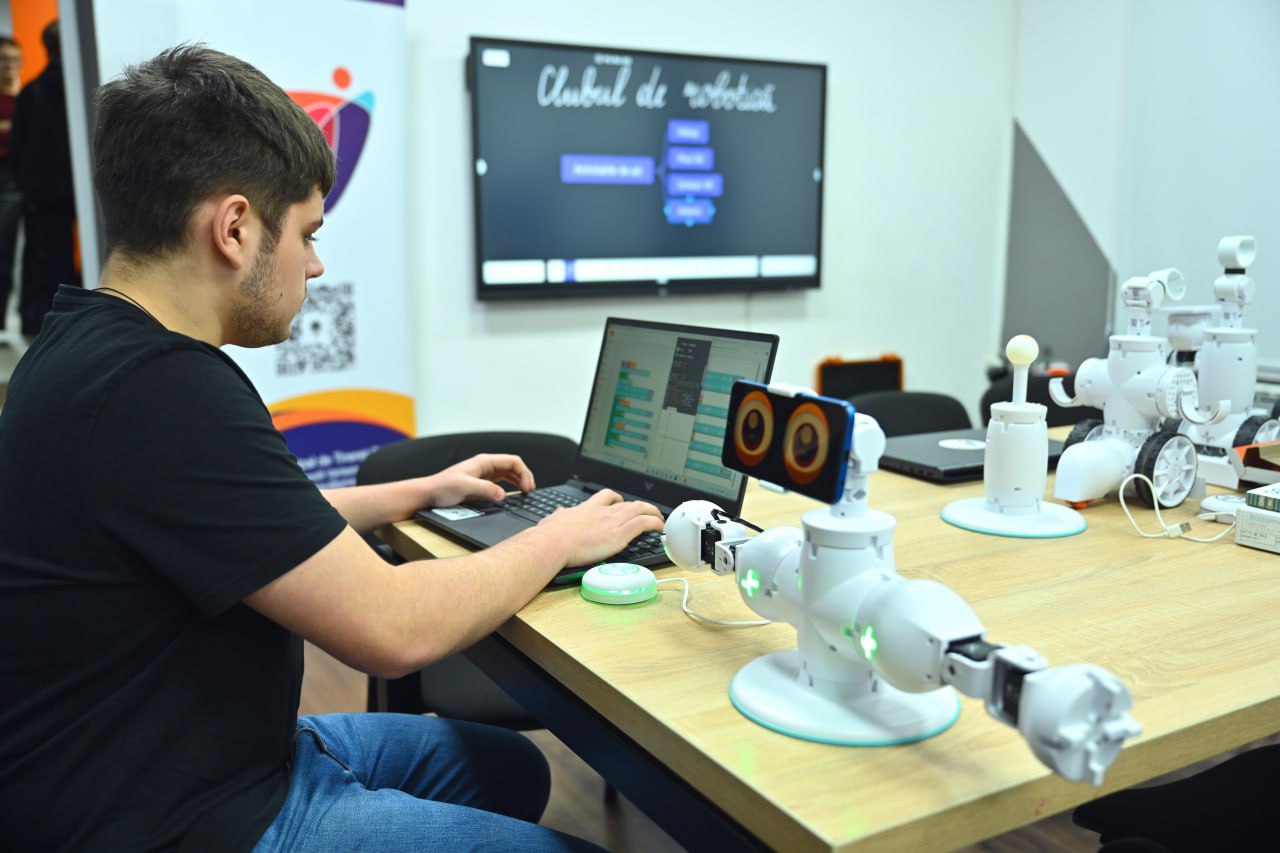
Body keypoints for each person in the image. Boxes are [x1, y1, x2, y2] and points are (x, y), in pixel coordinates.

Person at [0, 43, 664, 852]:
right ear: (235, 228)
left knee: (512, 768)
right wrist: (560, 535)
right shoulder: (160, 388)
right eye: (308, 233)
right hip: (185, 819)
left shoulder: (90, 342)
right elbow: (394, 627)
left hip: (192, 758)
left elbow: (243, 521)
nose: (315, 264)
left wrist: (414, 491)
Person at [9, 19, 80, 339]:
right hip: (79, 191)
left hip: (43, 194)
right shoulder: (82, 90)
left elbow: (17, 147)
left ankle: (40, 323)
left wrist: (27, 185)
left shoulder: (32, 93)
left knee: (44, 260)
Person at [0, 35, 21, 331]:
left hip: (14, 178)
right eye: (4, 59)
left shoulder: (25, 97)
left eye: (15, 60)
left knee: (4, 251)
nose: (9, 65)